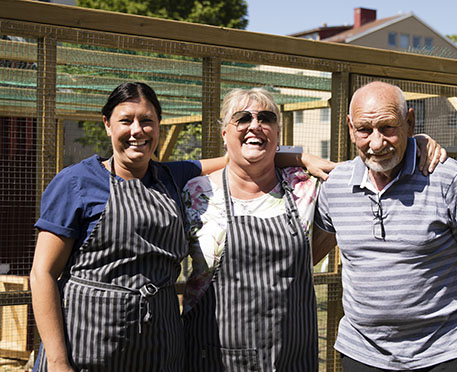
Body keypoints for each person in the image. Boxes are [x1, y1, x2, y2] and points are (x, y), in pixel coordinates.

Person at [29, 82, 332, 372]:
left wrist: (300, 156)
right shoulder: (76, 182)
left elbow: (237, 158)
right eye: (126, 121)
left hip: (159, 351)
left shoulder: (173, 177)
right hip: (89, 348)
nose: (137, 131)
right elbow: (42, 273)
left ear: (158, 126)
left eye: (147, 121)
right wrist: (57, 362)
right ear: (108, 124)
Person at [181, 87, 446, 371]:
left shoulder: (305, 186)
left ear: (278, 133)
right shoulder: (195, 192)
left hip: (291, 357)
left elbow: (373, 163)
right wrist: (299, 155)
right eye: (242, 118)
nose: (255, 125)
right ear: (224, 133)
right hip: (212, 356)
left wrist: (414, 141)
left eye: (266, 118)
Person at [313, 81, 457, 372]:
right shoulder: (336, 185)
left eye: (388, 127)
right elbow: (306, 255)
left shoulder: (447, 180)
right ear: (350, 128)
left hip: (445, 352)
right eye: (364, 129)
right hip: (363, 352)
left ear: (410, 122)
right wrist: (293, 156)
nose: (376, 143)